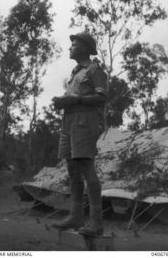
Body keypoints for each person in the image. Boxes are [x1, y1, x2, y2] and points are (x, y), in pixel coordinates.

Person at [52, 32, 107, 236]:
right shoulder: (75, 72)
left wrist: (75, 100)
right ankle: (76, 216)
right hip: (69, 123)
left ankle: (96, 222)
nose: (70, 47)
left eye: (74, 44)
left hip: (85, 122)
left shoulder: (94, 70)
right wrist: (62, 101)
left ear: (85, 48)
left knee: (86, 168)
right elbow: (73, 97)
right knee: (72, 170)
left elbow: (101, 98)